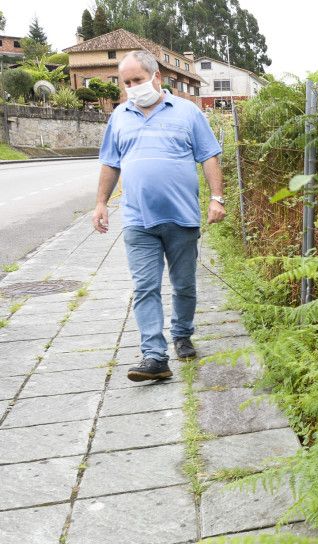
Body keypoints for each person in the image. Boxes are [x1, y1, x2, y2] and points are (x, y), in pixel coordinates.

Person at [92, 49, 225, 381]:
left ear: (156, 78)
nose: (132, 87)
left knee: (184, 285)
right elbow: (111, 162)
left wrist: (217, 199)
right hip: (138, 220)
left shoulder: (187, 112)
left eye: (138, 79)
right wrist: (100, 203)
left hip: (181, 218)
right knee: (145, 287)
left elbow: (209, 156)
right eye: (126, 82)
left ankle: (181, 333)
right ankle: (154, 356)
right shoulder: (119, 116)